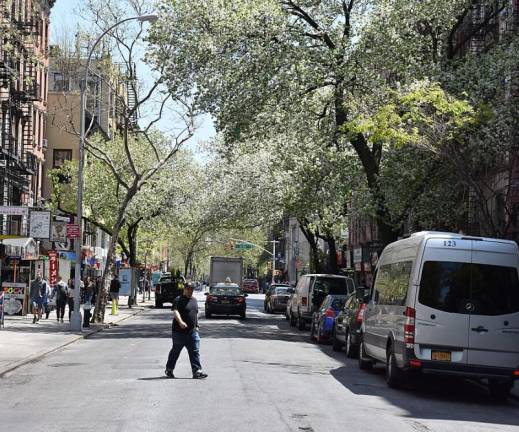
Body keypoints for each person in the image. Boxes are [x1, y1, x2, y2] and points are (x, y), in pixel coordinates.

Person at [165, 283, 207, 379]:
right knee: (176, 351)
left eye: (192, 289)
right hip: (178, 332)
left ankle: (197, 371)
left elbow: (195, 314)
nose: (190, 291)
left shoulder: (194, 300)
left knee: (194, 351)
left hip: (192, 332)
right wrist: (180, 322)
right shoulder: (178, 299)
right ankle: (169, 369)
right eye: (188, 289)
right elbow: (175, 311)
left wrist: (197, 325)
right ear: (184, 289)